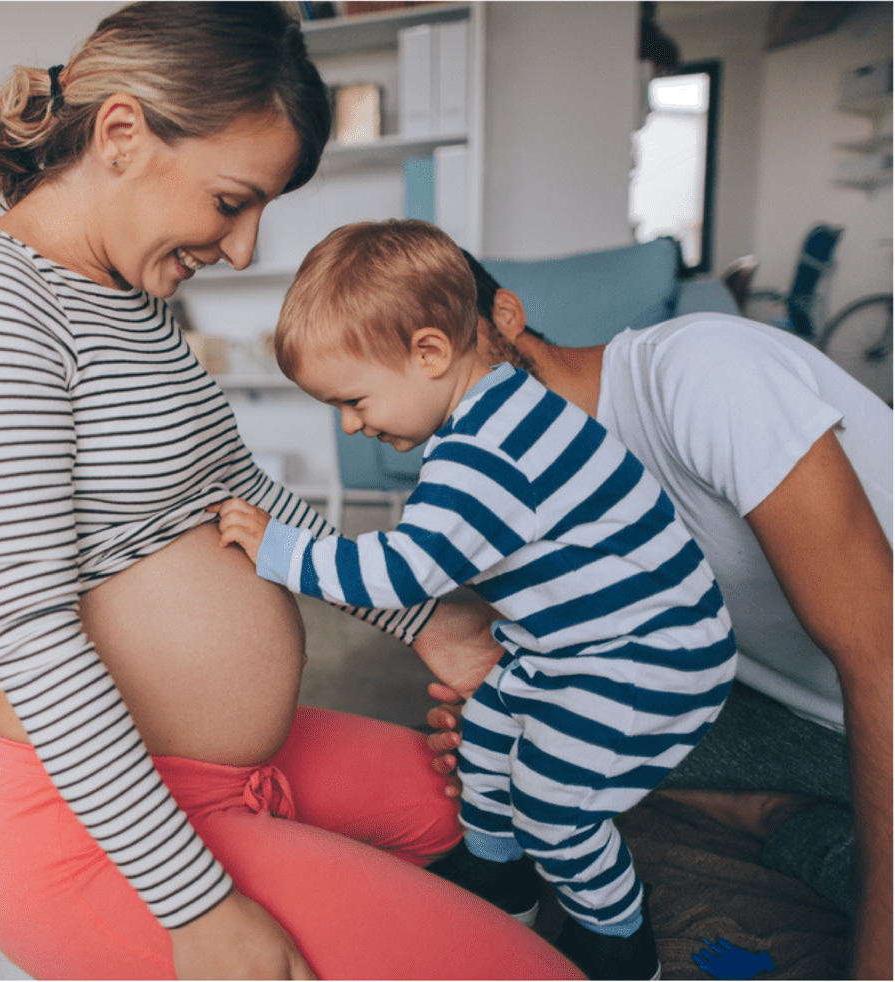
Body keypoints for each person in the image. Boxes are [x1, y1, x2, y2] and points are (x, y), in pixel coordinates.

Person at [0, 4, 579, 979]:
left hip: (240, 768)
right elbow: (27, 634)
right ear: (121, 134)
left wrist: (432, 620)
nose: (246, 249)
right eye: (229, 201)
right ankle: (53, 943)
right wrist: (198, 908)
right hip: (99, 827)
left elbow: (244, 500)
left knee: (469, 799)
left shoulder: (128, 300)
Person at [214, 219, 737, 980]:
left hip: (647, 654)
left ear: (429, 352)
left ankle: (621, 945)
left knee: (558, 810)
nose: (352, 423)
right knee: (489, 734)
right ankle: (503, 879)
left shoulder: (488, 454)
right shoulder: (500, 409)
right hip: (570, 645)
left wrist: (282, 550)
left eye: (355, 399)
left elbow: (400, 574)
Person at [423, 250, 892, 978]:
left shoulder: (703, 373)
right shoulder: (510, 486)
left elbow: (881, 656)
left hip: (876, 683)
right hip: (794, 715)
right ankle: (779, 811)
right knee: (515, 729)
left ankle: (783, 817)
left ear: (505, 320)